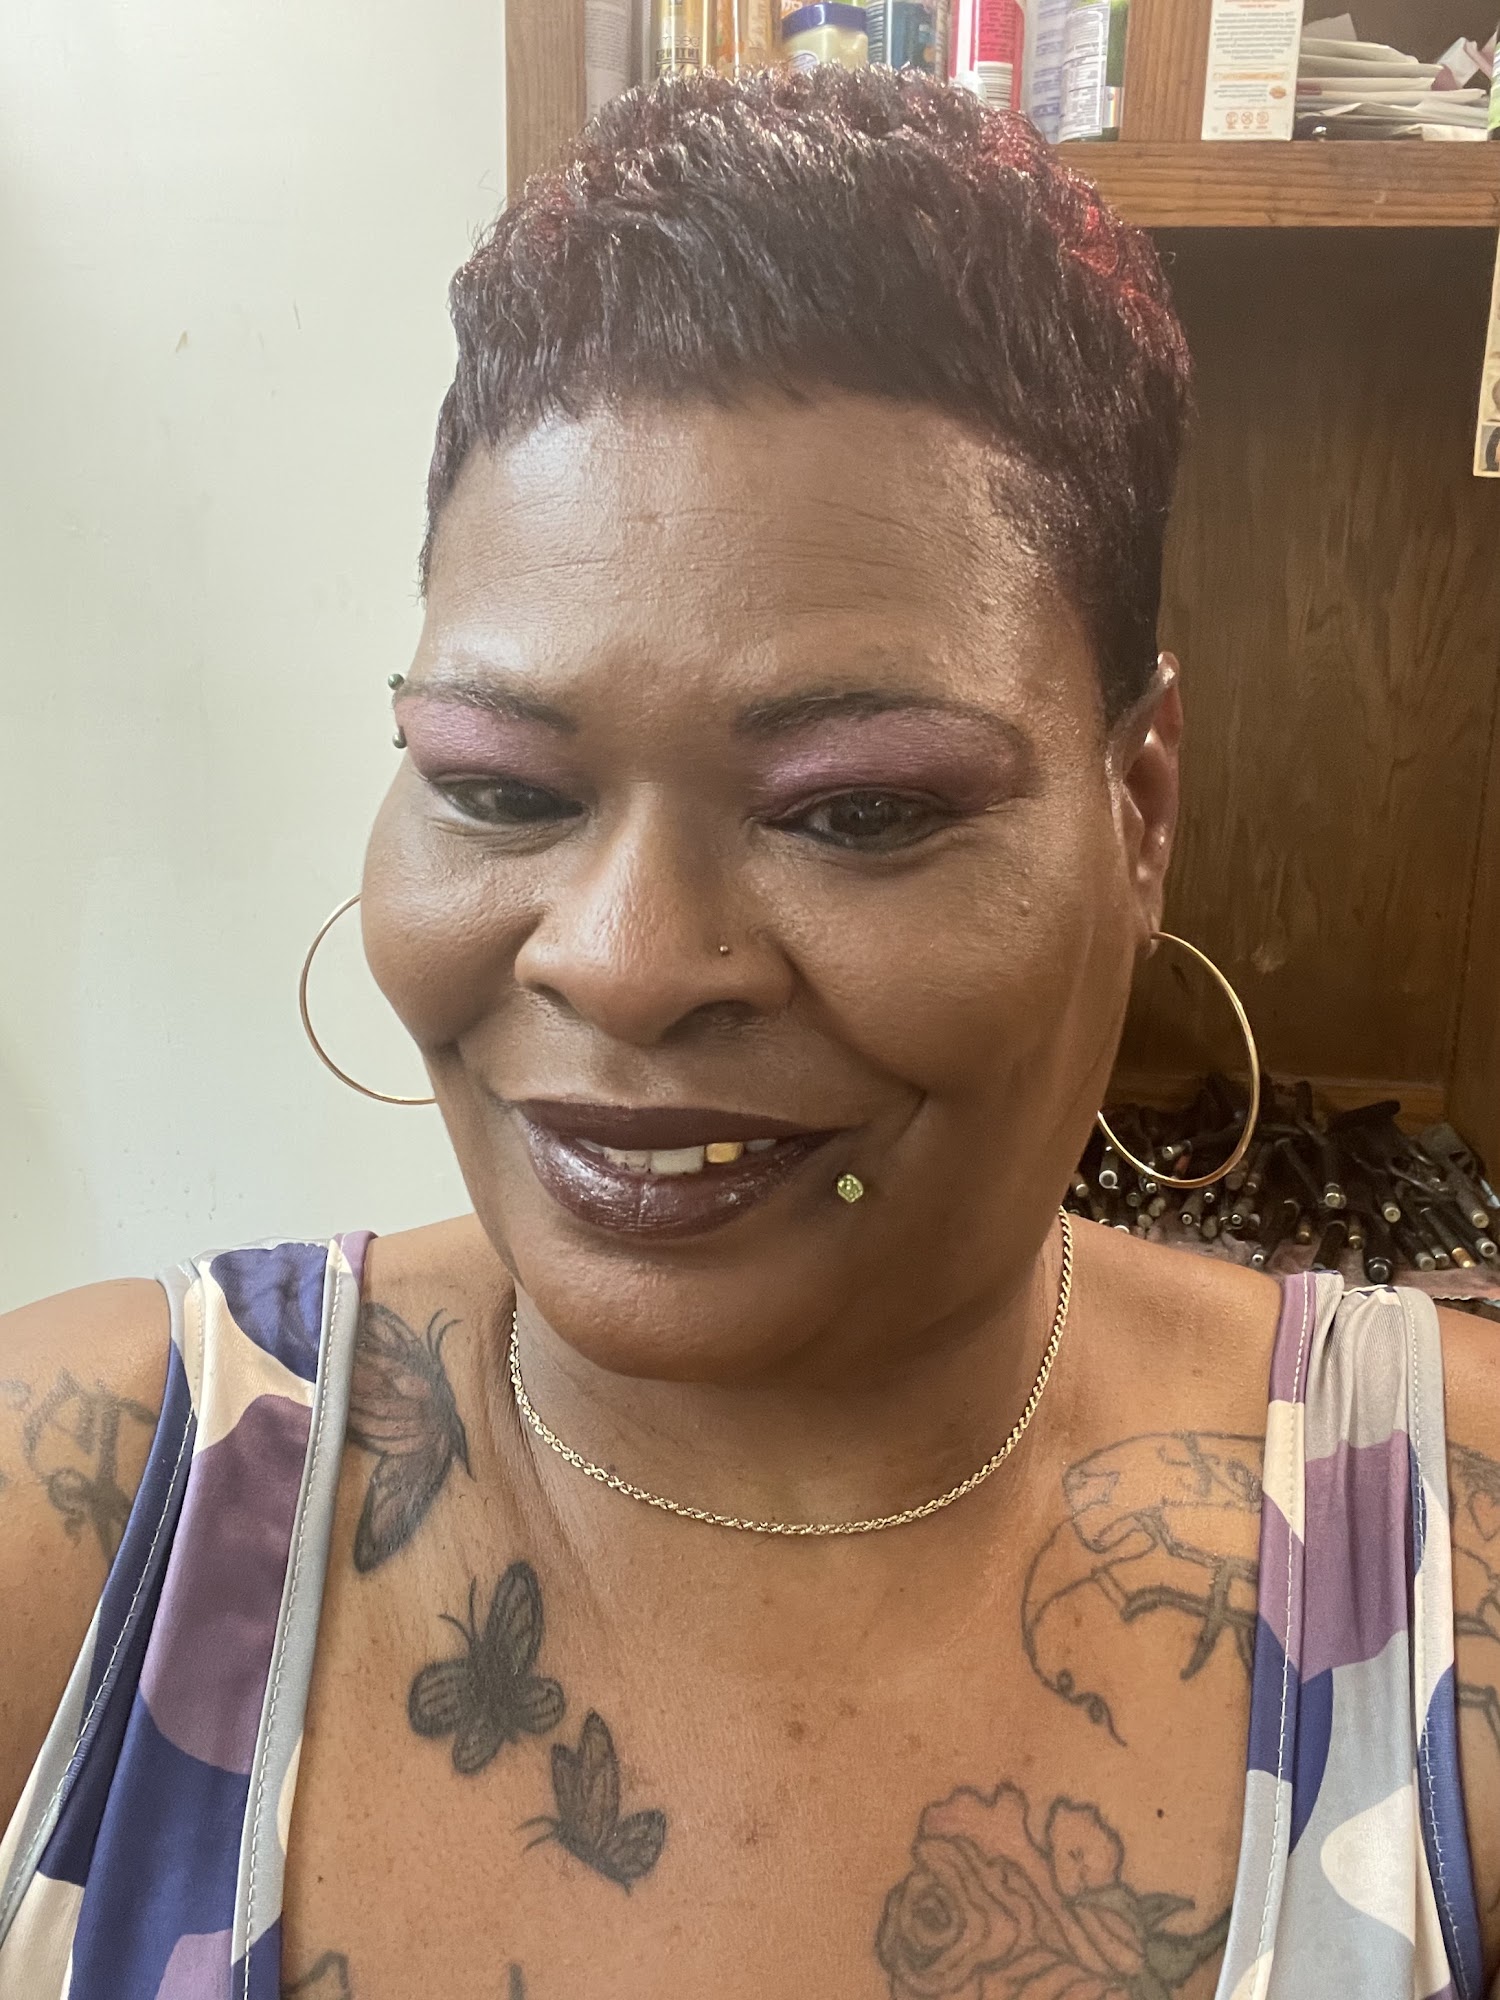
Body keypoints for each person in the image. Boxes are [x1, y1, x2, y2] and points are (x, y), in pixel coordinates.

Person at [1, 66, 1497, 2000]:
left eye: (856, 809)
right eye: (500, 789)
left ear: (1138, 811)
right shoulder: (84, 1524)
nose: (623, 964)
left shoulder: (1443, 1583)